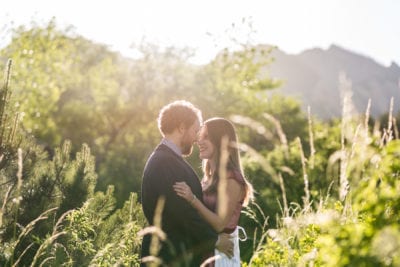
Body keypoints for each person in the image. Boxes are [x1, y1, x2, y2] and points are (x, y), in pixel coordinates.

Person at [140, 101, 232, 267]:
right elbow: (181, 213)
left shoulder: (167, 159)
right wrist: (215, 240)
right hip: (169, 257)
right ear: (182, 127)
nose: (197, 139)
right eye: (195, 131)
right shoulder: (164, 162)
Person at [173, 117, 254, 266]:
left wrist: (192, 199)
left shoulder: (232, 179)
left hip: (222, 256)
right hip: (208, 251)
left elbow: (219, 224)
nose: (199, 141)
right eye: (200, 136)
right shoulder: (207, 178)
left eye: (206, 137)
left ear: (220, 142)